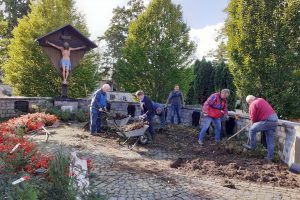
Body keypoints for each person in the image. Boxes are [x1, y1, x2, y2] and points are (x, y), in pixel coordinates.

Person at [243, 95, 278, 161]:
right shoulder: (261, 99)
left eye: (248, 103)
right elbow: (262, 112)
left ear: (249, 101)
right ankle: (270, 157)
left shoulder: (253, 104)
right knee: (270, 140)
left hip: (267, 120)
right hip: (274, 120)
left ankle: (252, 146)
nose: (249, 104)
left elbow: (253, 117)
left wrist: (253, 123)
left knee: (252, 129)